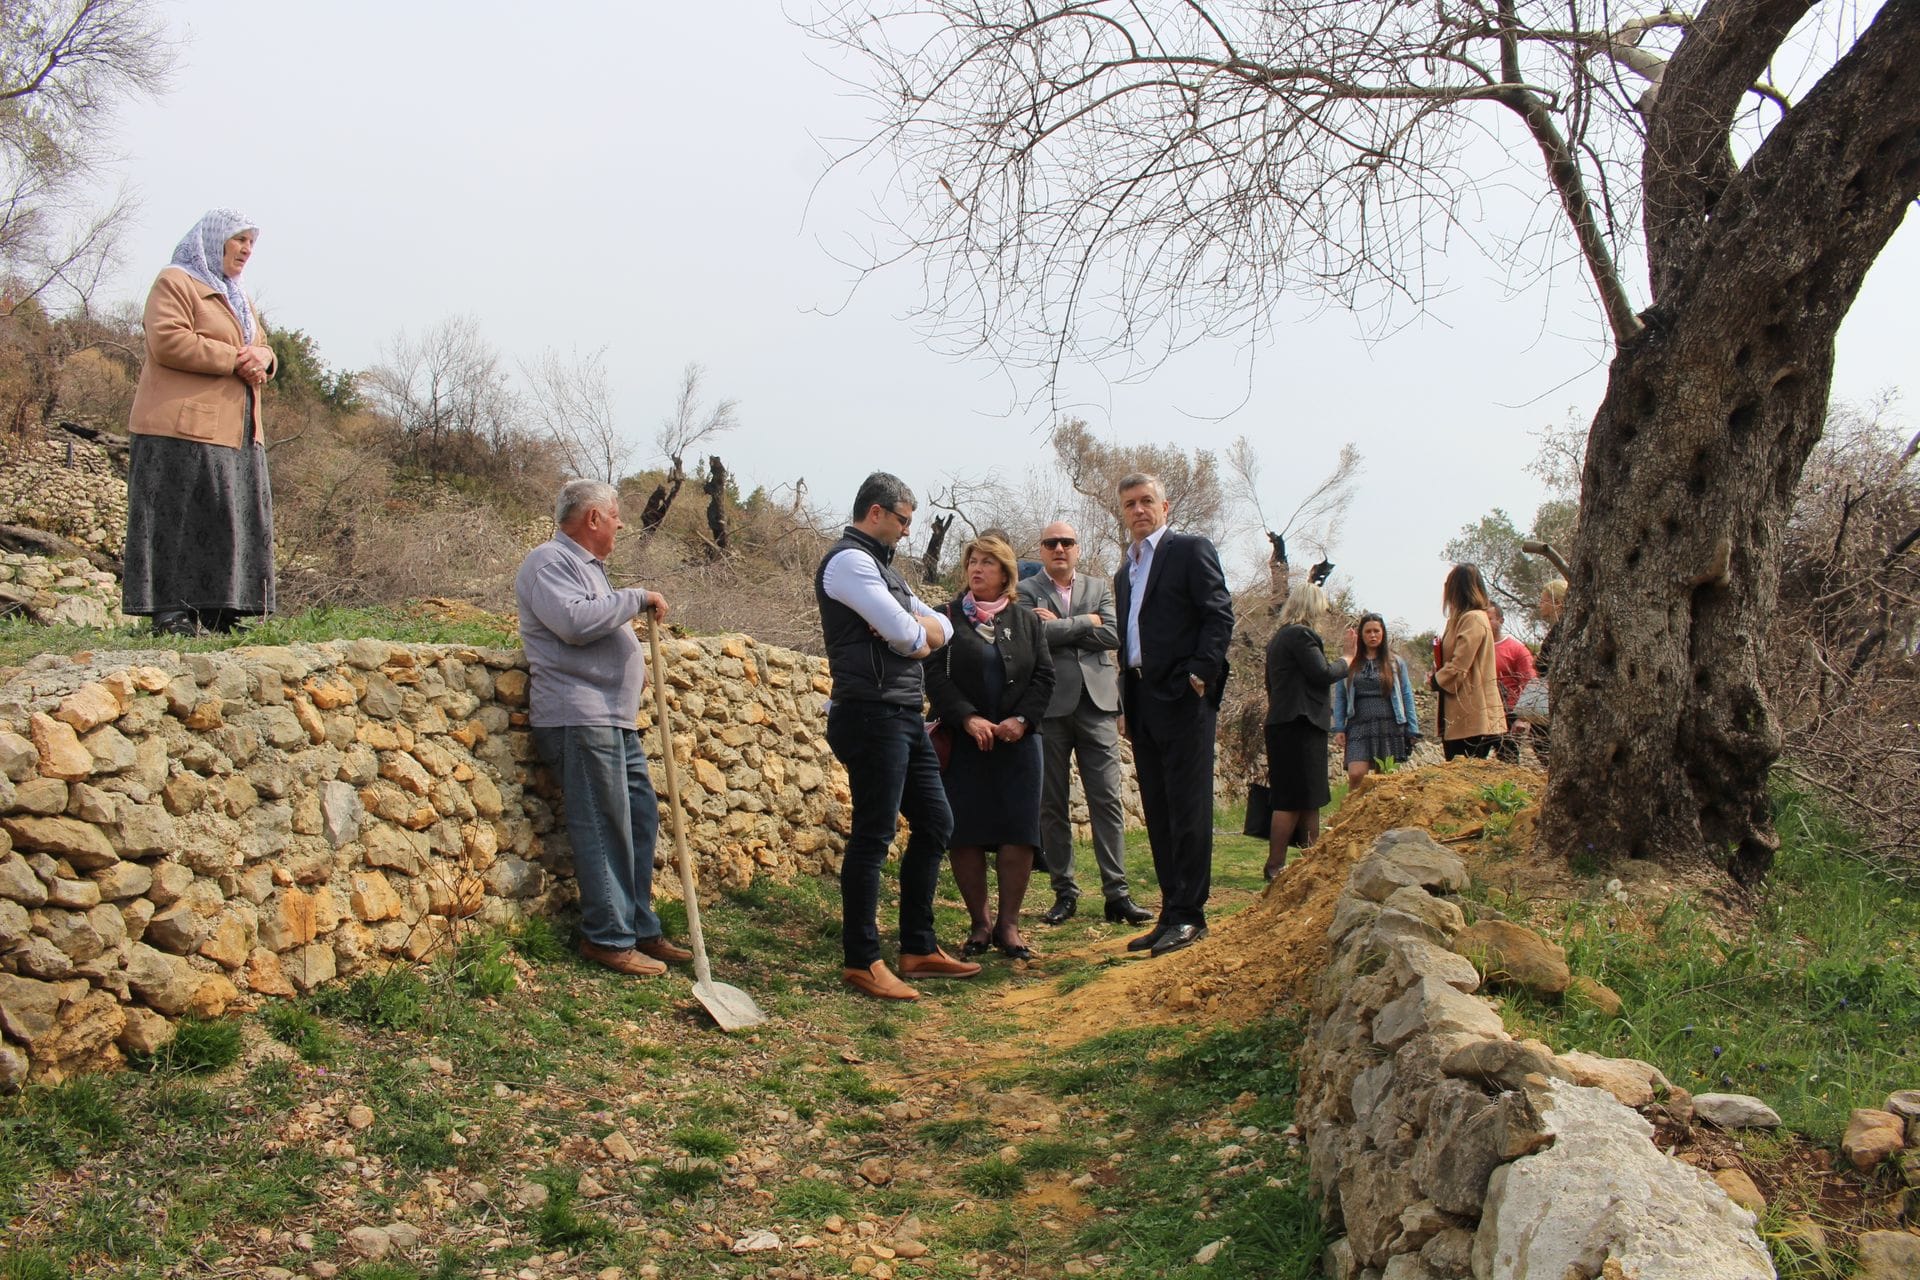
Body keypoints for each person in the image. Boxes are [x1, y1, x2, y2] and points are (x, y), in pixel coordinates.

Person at [516, 480, 694, 978]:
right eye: (615, 515)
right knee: (604, 824)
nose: (620, 524)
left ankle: (639, 927)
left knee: (638, 818)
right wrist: (636, 598)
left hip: (613, 719)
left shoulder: (590, 572)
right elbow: (573, 623)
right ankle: (607, 938)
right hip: (579, 716)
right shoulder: (548, 561)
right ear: (593, 518)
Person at [816, 472, 982, 1000]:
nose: (909, 532)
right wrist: (913, 630)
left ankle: (917, 947)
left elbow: (940, 629)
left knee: (936, 822)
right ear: (876, 513)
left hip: (903, 714)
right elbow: (910, 635)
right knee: (874, 834)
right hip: (869, 714)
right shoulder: (849, 562)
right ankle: (862, 959)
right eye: (904, 520)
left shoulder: (884, 570)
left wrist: (914, 628)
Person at [123, 210, 279, 636]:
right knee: (175, 520)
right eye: (239, 239)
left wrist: (266, 359)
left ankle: (218, 611)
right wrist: (235, 358)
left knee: (223, 520)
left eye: (251, 242)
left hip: (236, 431)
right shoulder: (175, 282)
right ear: (213, 241)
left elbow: (261, 348)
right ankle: (169, 612)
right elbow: (168, 340)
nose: (246, 249)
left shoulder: (237, 296)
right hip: (176, 427)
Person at [1111, 472, 1235, 957]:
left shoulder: (1189, 550)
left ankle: (1191, 915)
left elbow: (1218, 611)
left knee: (1188, 808)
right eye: (1129, 504)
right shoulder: (1126, 572)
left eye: (1146, 502)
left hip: (1183, 697)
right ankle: (1170, 911)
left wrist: (1201, 674)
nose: (1138, 510)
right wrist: (1126, 699)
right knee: (1160, 812)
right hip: (1142, 699)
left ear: (1165, 508)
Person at [1016, 521, 1153, 927]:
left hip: (1097, 705)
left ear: (1078, 547)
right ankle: (1065, 893)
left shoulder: (1100, 587)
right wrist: (1086, 622)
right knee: (1052, 804)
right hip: (1050, 705)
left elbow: (1113, 634)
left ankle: (1118, 894)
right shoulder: (1026, 591)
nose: (1059, 548)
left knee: (1107, 800)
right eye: (1051, 543)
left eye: (1067, 542)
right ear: (1041, 550)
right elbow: (1031, 636)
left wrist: (1065, 626)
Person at [926, 536, 1056, 960]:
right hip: (965, 744)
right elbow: (936, 678)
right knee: (965, 833)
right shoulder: (945, 618)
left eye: (987, 563)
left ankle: (1009, 925)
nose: (977, 569)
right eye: (972, 562)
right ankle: (980, 924)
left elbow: (1043, 678)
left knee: (1018, 831)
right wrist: (968, 717)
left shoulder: (1029, 621)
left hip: (1018, 745)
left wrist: (1021, 721)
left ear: (1006, 573)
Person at [1260, 584, 1357, 879]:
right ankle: (1275, 865)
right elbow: (1323, 674)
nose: (1326, 612)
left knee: (1309, 796)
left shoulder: (1280, 638)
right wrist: (1348, 658)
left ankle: (1309, 862)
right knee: (1292, 798)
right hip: (1298, 724)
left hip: (1290, 723)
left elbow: (1271, 685)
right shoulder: (1300, 635)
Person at [1331, 612, 1421, 787]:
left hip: (1389, 724)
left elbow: (1406, 695)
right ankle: (1353, 813)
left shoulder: (1395, 662)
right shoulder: (1350, 662)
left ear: (1383, 633)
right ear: (1361, 635)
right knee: (1356, 774)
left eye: (1376, 631)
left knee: (1385, 779)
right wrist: (1339, 727)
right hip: (1358, 724)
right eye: (1368, 631)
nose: (1372, 635)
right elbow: (1340, 696)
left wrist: (1412, 728)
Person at [1431, 564, 1505, 760]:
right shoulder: (1459, 620)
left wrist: (1436, 680)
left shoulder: (1474, 619)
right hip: (1458, 715)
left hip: (1473, 716)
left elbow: (1459, 665)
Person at [1487, 604, 1539, 764]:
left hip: (1508, 714)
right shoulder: (1475, 649)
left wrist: (1523, 718)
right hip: (1482, 713)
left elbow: (1530, 682)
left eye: (1489, 619)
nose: (1485, 624)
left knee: (1508, 762)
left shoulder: (1516, 649)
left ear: (1500, 620)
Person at [1528, 580, 1568, 765]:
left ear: (1557, 603)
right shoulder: (1559, 629)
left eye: (1544, 601)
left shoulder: (1562, 630)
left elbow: (1545, 665)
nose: (1540, 605)